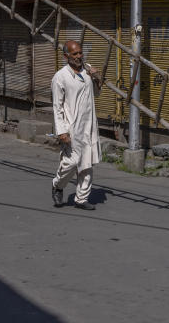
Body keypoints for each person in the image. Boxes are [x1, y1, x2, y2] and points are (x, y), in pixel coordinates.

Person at [51, 40, 102, 210]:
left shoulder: (87, 69)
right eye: (75, 54)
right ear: (66, 56)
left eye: (80, 53)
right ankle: (58, 185)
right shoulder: (60, 77)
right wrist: (61, 131)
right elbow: (57, 107)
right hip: (72, 127)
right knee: (71, 163)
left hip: (89, 125)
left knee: (87, 163)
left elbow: (96, 93)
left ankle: (81, 198)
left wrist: (96, 77)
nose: (79, 56)